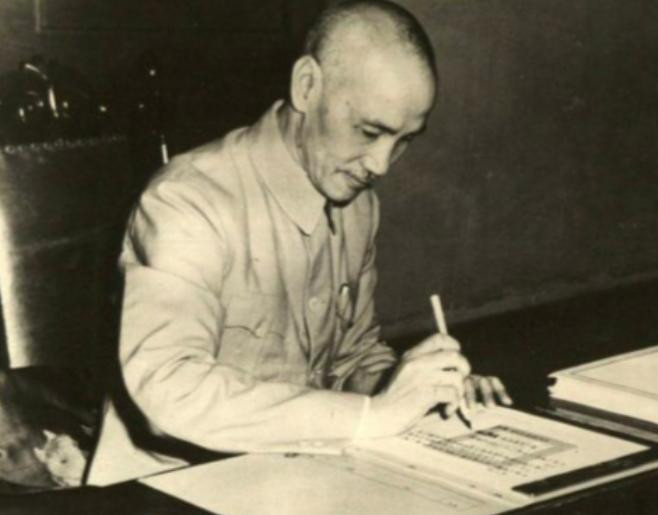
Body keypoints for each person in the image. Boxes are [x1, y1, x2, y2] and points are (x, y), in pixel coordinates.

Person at [87, 0, 511, 485]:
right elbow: (171, 391)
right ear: (307, 86)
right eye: (369, 131)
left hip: (286, 479)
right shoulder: (188, 202)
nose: (380, 164)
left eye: (404, 140)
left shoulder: (355, 205)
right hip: (167, 489)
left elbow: (352, 357)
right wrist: (375, 416)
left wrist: (420, 388)